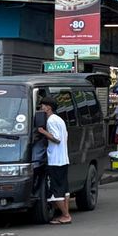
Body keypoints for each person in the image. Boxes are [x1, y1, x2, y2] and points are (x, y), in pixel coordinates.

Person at [37, 96, 72, 225]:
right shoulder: (59, 119)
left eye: (42, 106)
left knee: (56, 191)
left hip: (55, 160)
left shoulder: (51, 121)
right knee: (64, 189)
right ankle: (65, 214)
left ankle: (66, 215)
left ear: (48, 107)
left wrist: (42, 131)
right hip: (63, 158)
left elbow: (57, 139)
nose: (41, 108)